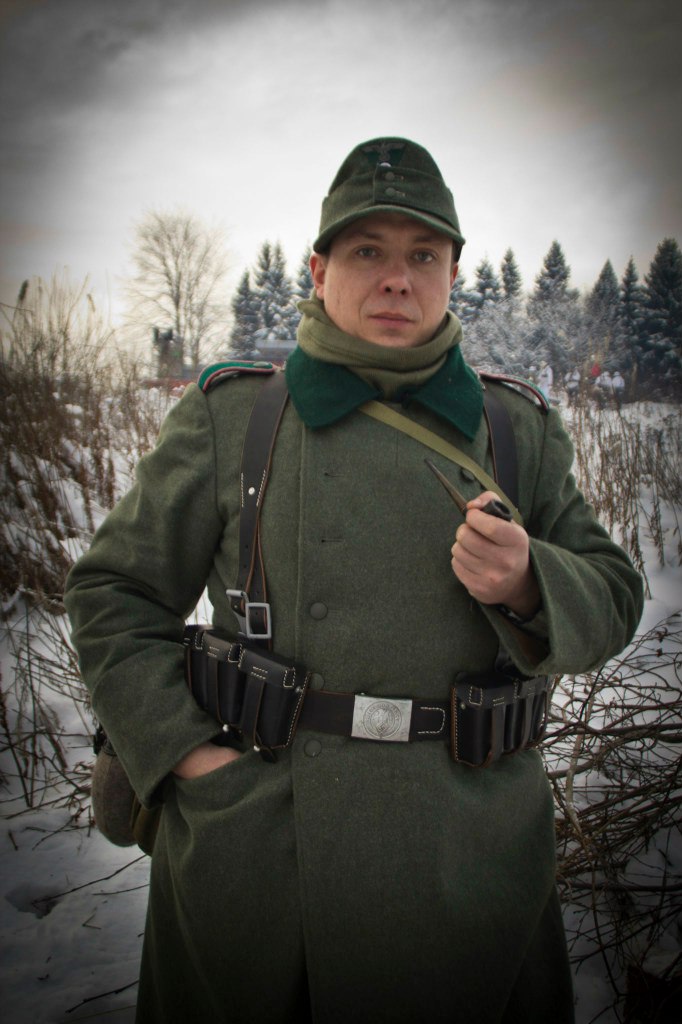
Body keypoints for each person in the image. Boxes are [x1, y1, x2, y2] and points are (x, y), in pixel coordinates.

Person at [65, 137, 644, 1024]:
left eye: (424, 255)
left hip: (470, 857)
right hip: (260, 855)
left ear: (454, 274)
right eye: (368, 251)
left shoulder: (516, 428)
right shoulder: (236, 415)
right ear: (319, 268)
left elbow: (616, 596)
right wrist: (188, 756)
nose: (397, 280)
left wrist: (533, 581)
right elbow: (114, 594)